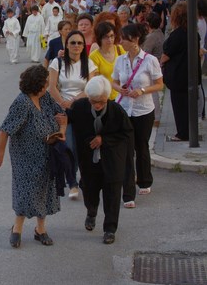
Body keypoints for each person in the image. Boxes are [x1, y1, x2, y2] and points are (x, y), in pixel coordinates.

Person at [0, 65, 66, 248]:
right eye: (46, 82)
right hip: (25, 156)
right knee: (25, 191)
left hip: (48, 154)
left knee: (45, 189)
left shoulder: (45, 97)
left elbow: (62, 116)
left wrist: (62, 130)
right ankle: (17, 228)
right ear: (38, 85)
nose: (48, 85)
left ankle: (40, 229)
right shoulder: (22, 103)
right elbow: (4, 130)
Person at [67, 76, 134, 244]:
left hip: (112, 159)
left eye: (101, 102)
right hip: (88, 159)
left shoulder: (117, 111)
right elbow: (67, 117)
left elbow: (126, 133)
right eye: (94, 101)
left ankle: (110, 229)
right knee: (89, 189)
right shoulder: (80, 108)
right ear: (88, 98)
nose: (97, 105)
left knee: (112, 193)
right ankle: (91, 211)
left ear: (107, 98)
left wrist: (104, 140)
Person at [112, 23, 163, 198]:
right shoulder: (120, 60)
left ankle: (144, 180)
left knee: (142, 146)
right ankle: (128, 181)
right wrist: (120, 89)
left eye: (123, 39)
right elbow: (114, 81)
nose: (120, 42)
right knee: (127, 148)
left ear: (134, 40)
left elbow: (159, 84)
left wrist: (141, 90)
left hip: (143, 109)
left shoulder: (150, 60)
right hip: (125, 109)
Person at [48, 30, 97, 198]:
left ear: (84, 46)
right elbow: (52, 86)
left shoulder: (89, 64)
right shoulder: (57, 62)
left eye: (80, 43)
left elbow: (91, 87)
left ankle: (80, 178)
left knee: (81, 146)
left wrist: (75, 100)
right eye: (73, 43)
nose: (76, 46)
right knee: (68, 146)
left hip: (83, 109)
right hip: (63, 110)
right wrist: (63, 102)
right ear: (66, 45)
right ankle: (72, 183)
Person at [161, 2, 201, 141]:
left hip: (178, 75)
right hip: (190, 74)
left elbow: (166, 54)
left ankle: (182, 133)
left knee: (179, 106)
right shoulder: (193, 33)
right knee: (187, 106)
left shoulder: (177, 34)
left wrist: (161, 63)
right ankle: (188, 131)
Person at [89, 22, 125, 100]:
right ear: (99, 38)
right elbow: (97, 80)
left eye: (112, 36)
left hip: (122, 95)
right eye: (106, 37)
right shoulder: (94, 56)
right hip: (105, 97)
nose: (110, 40)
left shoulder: (120, 49)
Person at [142, 12, 165, 126]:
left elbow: (145, 52)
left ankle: (156, 117)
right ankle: (155, 116)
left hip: (152, 65)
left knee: (152, 91)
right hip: (158, 64)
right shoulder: (160, 33)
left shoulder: (151, 37)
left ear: (148, 23)